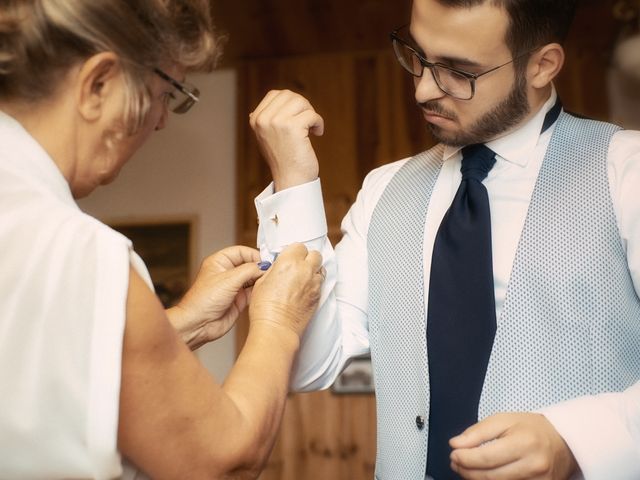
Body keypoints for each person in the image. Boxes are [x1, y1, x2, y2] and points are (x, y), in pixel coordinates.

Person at [249, 0, 640, 478]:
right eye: (418, 55)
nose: (422, 89)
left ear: (542, 65)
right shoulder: (384, 191)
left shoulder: (626, 171)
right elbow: (308, 363)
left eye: (458, 71)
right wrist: (294, 185)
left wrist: (575, 440)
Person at [0, 1, 325, 479]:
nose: (161, 121)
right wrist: (279, 321)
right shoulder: (74, 249)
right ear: (99, 85)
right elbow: (223, 460)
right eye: (165, 92)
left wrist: (182, 323)